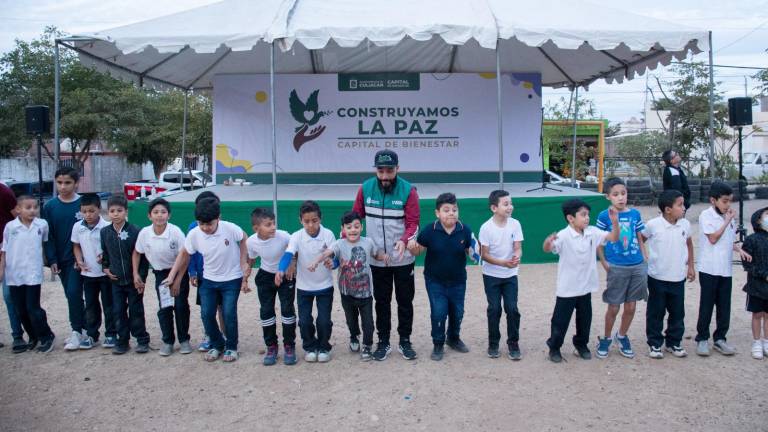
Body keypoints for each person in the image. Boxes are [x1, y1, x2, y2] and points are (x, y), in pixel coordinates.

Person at [352, 149, 420, 361]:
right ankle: (383, 342)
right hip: (377, 259)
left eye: (389, 170)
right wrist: (347, 235)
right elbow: (356, 217)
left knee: (405, 301)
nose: (384, 176)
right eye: (380, 170)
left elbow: (413, 224)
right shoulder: (365, 188)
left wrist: (403, 240)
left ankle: (405, 341)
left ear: (397, 169)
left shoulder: (409, 191)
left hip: (402, 259)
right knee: (381, 301)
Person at [165, 197, 250, 363]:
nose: (205, 228)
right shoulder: (195, 233)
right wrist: (171, 275)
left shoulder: (230, 228)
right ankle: (217, 344)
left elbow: (244, 237)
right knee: (206, 314)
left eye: (209, 224)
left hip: (231, 279)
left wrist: (243, 261)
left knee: (228, 313)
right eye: (201, 224)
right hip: (209, 280)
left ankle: (231, 347)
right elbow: (184, 253)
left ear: (218, 217)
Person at [543, 199, 619, 363]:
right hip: (568, 288)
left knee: (585, 319)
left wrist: (615, 223)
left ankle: (581, 345)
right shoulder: (563, 235)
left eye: (588, 215)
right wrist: (548, 242)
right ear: (571, 218)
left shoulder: (592, 231)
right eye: (583, 215)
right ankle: (554, 348)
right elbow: (548, 249)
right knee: (560, 320)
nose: (587, 218)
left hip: (586, 286)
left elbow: (613, 237)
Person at [309, 211, 389, 361]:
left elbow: (375, 254)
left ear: (361, 227)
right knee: (351, 321)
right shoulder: (339, 244)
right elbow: (329, 254)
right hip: (347, 294)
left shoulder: (368, 242)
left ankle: (367, 346)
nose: (353, 229)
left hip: (365, 294)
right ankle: (354, 336)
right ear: (343, 229)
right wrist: (317, 261)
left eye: (356, 226)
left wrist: (383, 256)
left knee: (368, 323)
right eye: (349, 227)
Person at [408, 193, 478, 361]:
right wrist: (412, 247)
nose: (451, 213)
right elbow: (419, 251)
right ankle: (438, 343)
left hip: (458, 280)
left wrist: (477, 253)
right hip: (435, 281)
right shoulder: (429, 230)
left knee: (458, 312)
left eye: (454, 209)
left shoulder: (465, 230)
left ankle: (453, 338)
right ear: (437, 213)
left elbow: (472, 252)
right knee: (439, 312)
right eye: (446, 210)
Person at [695, 181, 751, 357]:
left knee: (724, 305)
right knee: (707, 304)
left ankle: (720, 338)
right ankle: (702, 338)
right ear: (713, 200)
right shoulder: (706, 215)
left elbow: (729, 239)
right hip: (709, 268)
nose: (728, 205)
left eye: (730, 201)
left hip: (725, 268)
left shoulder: (729, 217)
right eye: (725, 201)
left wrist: (739, 249)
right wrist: (727, 221)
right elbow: (713, 238)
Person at [276, 200, 336, 363]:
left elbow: (334, 256)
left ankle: (323, 347)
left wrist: (332, 262)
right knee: (304, 320)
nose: (311, 225)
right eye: (306, 221)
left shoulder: (328, 234)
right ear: (300, 220)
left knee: (324, 320)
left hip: (325, 286)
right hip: (304, 287)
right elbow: (288, 254)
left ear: (320, 219)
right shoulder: (297, 236)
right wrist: (281, 269)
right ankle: (310, 347)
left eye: (314, 221)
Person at [595, 177, 648, 359]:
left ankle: (622, 336)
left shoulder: (635, 214)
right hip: (616, 266)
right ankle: (606, 338)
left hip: (636, 265)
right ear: (608, 196)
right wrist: (604, 262)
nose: (620, 198)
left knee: (631, 306)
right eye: (616, 194)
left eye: (623, 193)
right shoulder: (604, 216)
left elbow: (639, 236)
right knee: (614, 307)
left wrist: (644, 257)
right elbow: (599, 241)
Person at [133, 198, 192, 357]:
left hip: (179, 272)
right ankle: (168, 341)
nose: (160, 216)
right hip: (160, 275)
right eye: (156, 212)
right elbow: (137, 252)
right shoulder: (145, 233)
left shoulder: (175, 232)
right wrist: (135, 273)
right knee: (165, 308)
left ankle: (184, 340)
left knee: (180, 306)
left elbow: (185, 256)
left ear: (169, 215)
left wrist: (178, 279)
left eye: (163, 212)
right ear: (149, 216)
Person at [643, 190, 695, 359]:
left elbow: (689, 244)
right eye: (680, 204)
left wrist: (691, 267)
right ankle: (655, 344)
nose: (684, 207)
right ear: (667, 209)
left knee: (677, 312)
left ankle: (674, 342)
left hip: (678, 277)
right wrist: (644, 258)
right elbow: (640, 239)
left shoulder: (685, 225)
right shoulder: (653, 225)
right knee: (656, 312)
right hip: (657, 276)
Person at [0, 195, 56, 353]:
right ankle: (33, 336)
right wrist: (2, 269)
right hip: (14, 274)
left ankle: (47, 336)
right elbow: (4, 250)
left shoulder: (42, 225)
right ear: (18, 209)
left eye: (35, 207)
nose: (32, 211)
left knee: (33, 307)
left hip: (32, 273)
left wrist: (52, 261)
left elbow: (46, 244)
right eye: (28, 207)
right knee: (20, 309)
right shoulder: (10, 227)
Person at [245, 207, 297, 366]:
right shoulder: (251, 241)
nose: (273, 227)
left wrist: (292, 263)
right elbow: (252, 259)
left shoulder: (284, 236)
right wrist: (245, 278)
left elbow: (295, 249)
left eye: (274, 223)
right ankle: (271, 346)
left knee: (287, 310)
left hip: (285, 277)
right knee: (266, 311)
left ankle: (289, 346)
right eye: (268, 224)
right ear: (256, 228)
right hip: (265, 276)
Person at [100, 194, 150, 355]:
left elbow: (142, 257)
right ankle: (122, 341)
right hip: (116, 281)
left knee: (136, 310)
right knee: (118, 311)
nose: (115, 214)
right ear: (108, 212)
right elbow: (105, 254)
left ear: (126, 212)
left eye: (119, 210)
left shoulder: (136, 231)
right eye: (112, 211)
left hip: (133, 280)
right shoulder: (105, 232)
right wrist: (106, 268)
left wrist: (140, 277)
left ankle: (142, 340)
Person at [43, 167, 86, 350]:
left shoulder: (84, 204)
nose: (63, 186)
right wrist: (52, 259)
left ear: (76, 183)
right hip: (62, 260)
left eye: (67, 182)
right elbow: (49, 236)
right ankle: (81, 329)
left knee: (75, 292)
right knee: (71, 294)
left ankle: (79, 330)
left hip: (82, 259)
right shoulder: (50, 207)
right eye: (59, 182)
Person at [478, 190, 524, 360]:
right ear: (494, 208)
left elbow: (518, 247)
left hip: (511, 275)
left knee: (512, 309)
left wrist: (516, 257)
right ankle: (493, 343)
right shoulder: (486, 228)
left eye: (511, 203)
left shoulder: (515, 224)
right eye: (505, 204)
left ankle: (513, 343)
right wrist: (503, 263)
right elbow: (485, 255)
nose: (510, 207)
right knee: (494, 309)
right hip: (491, 275)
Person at [70, 193, 116, 350]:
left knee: (109, 305)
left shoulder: (106, 227)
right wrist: (79, 261)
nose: (88, 215)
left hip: (105, 274)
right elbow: (76, 245)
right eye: (84, 211)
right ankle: (92, 335)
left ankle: (111, 334)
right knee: (90, 305)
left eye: (91, 211)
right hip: (88, 274)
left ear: (99, 209)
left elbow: (112, 247)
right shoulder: (78, 227)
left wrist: (105, 256)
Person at [187, 191, 225, 351]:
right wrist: (193, 272)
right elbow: (189, 253)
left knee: (223, 308)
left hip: (222, 276)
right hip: (203, 276)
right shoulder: (193, 228)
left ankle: (224, 334)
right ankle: (209, 335)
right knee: (207, 308)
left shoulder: (225, 228)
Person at [0, 181, 25, 352]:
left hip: (6, 251)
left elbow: (18, 219)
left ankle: (17, 335)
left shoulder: (3, 192)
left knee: (10, 295)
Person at [741, 207, 768, 360]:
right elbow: (747, 264)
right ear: (758, 220)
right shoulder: (751, 239)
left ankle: (766, 342)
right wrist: (764, 275)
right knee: (757, 314)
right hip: (756, 286)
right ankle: (756, 342)